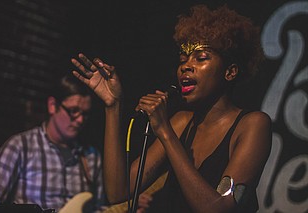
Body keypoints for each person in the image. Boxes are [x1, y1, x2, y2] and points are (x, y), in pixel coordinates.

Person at [71, 4, 272, 213]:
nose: (186, 66)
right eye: (183, 59)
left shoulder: (253, 125)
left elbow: (219, 208)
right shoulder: (181, 122)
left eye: (201, 58)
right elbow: (118, 191)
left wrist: (165, 131)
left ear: (230, 72)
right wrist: (113, 107)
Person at [0, 74, 106, 212]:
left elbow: (99, 207)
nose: (80, 120)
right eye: (73, 111)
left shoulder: (91, 157)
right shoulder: (20, 146)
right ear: (52, 106)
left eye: (85, 114)